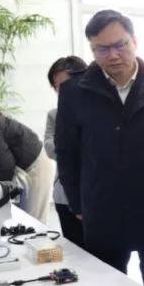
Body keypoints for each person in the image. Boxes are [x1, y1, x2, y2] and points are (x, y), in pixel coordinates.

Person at [56, 10, 144, 286]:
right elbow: (67, 152)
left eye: (120, 45)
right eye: (102, 49)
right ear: (92, 50)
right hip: (103, 207)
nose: (113, 55)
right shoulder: (74, 91)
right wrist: (77, 204)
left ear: (135, 42)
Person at [44, 56, 87, 247]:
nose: (62, 91)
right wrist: (69, 149)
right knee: (74, 250)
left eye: (66, 84)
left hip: (96, 195)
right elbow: (49, 148)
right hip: (64, 194)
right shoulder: (54, 115)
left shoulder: (99, 110)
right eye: (57, 87)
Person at [0, 110, 53, 223]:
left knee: (34, 221)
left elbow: (5, 163)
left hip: (36, 166)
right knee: (30, 220)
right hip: (32, 164)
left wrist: (4, 190)